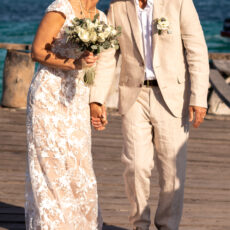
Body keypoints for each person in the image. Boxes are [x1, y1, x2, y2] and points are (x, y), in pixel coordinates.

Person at [90, 0, 209, 229]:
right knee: (135, 165)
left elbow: (197, 51)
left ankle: (168, 225)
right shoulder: (117, 7)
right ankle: (139, 224)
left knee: (172, 171)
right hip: (134, 95)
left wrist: (198, 98)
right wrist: (97, 98)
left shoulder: (180, 3)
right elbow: (107, 56)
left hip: (173, 97)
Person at [25, 0, 107, 229]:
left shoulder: (101, 18)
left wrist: (97, 103)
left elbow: (98, 65)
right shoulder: (61, 8)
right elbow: (37, 51)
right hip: (49, 96)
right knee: (50, 167)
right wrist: (74, 63)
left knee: (79, 167)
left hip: (78, 97)